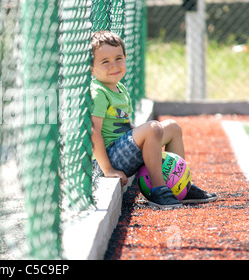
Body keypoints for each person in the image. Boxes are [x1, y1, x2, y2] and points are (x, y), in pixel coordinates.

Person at [90, 30, 217, 209]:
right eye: (105, 62)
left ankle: (180, 186)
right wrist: (108, 169)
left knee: (172, 128)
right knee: (153, 128)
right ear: (91, 67)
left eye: (118, 58)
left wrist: (144, 137)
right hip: (109, 158)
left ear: (125, 57)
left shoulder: (119, 88)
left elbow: (125, 127)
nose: (114, 65)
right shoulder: (98, 92)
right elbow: (93, 132)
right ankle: (159, 190)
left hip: (121, 151)